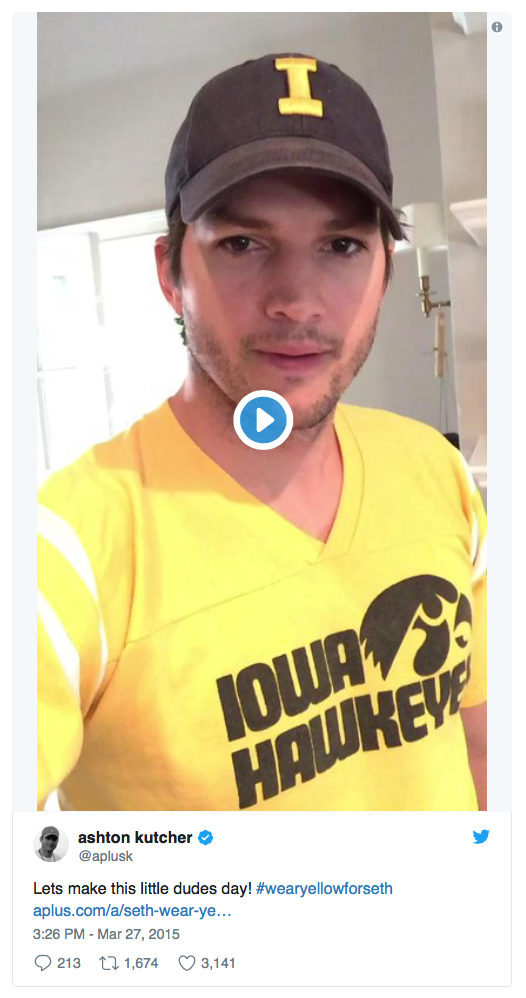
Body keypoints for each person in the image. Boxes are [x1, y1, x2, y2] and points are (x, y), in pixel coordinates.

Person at [37, 53, 486, 811]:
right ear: (171, 274)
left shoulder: (434, 470)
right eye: (243, 244)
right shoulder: (70, 551)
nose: (297, 301)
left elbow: (481, 740)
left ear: (385, 269)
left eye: (342, 246)